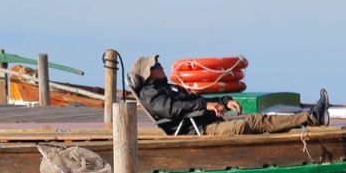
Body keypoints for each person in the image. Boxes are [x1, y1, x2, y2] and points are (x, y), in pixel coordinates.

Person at [128, 55, 329, 136]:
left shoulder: (168, 88)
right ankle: (310, 118)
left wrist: (224, 101)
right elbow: (170, 110)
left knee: (258, 120)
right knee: (246, 124)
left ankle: (311, 116)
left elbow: (195, 100)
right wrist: (203, 107)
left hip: (207, 121)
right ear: (148, 73)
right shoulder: (150, 93)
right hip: (197, 130)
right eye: (155, 66)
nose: (161, 66)